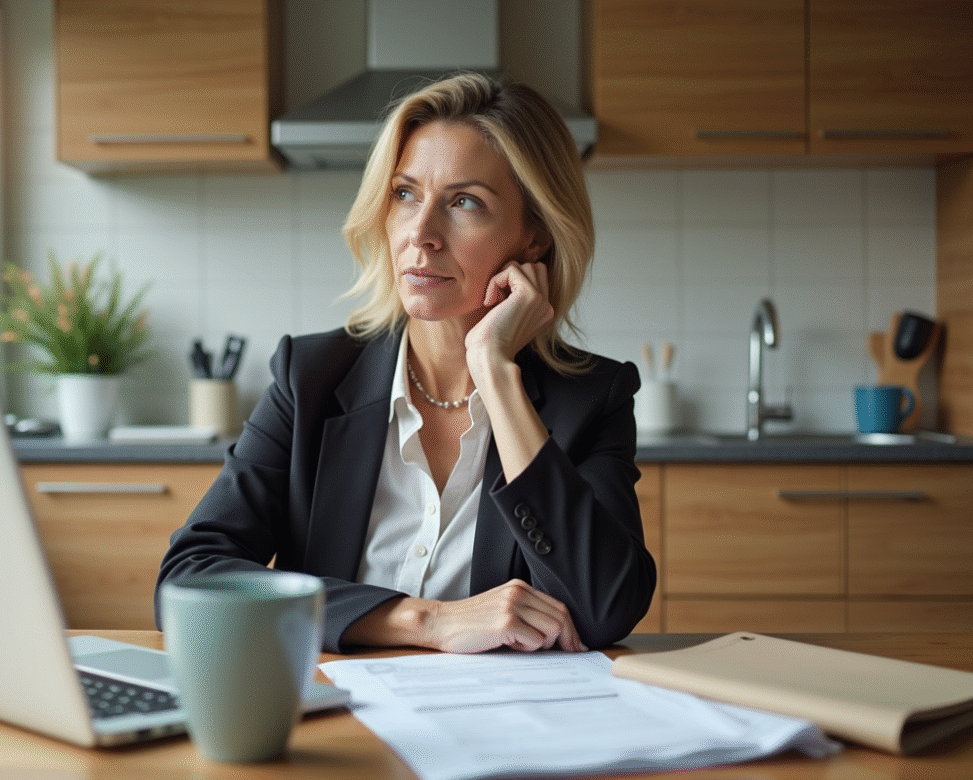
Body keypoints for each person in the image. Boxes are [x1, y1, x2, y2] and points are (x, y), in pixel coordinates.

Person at [157, 72, 655, 654]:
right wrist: (426, 621)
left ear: (534, 237)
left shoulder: (592, 398)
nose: (421, 233)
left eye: (465, 202)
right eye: (405, 194)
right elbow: (188, 579)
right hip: (335, 703)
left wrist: (496, 373)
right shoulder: (310, 377)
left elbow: (605, 609)